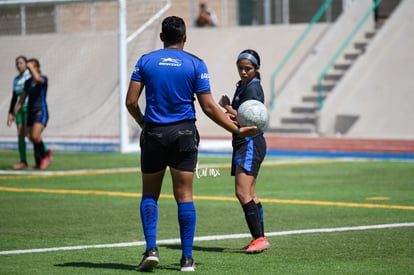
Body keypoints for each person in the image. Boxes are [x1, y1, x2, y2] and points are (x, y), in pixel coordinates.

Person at [125, 16, 256, 272]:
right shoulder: (196, 64)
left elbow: (130, 102)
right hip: (184, 134)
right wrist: (237, 130)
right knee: (184, 196)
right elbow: (208, 107)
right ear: (185, 37)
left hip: (153, 134)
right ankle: (186, 259)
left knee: (150, 195)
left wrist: (144, 124)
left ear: (162, 37)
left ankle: (151, 249)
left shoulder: (145, 61)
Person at [219, 49, 270, 254]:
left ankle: (259, 238)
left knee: (241, 192)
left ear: (257, 68)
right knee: (251, 193)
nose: (243, 72)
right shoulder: (243, 86)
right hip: (244, 143)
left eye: (247, 68)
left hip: (250, 143)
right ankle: (259, 237)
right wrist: (232, 113)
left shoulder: (253, 89)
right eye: (240, 68)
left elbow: (253, 120)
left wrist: (228, 107)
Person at [14, 58, 52, 170]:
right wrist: (16, 108)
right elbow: (23, 97)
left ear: (38, 67)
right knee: (30, 136)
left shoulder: (43, 78)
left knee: (35, 135)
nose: (31, 68)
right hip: (30, 111)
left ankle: (46, 156)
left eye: (33, 66)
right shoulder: (28, 82)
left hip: (40, 110)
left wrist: (30, 67)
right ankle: (39, 162)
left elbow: (38, 79)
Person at [7, 56, 31, 169]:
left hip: (29, 108)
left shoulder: (30, 76)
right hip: (20, 110)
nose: (18, 65)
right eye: (17, 63)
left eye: (21, 63)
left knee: (30, 134)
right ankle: (23, 160)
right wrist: (11, 113)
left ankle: (45, 152)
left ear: (26, 64)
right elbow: (14, 97)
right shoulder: (16, 79)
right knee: (20, 134)